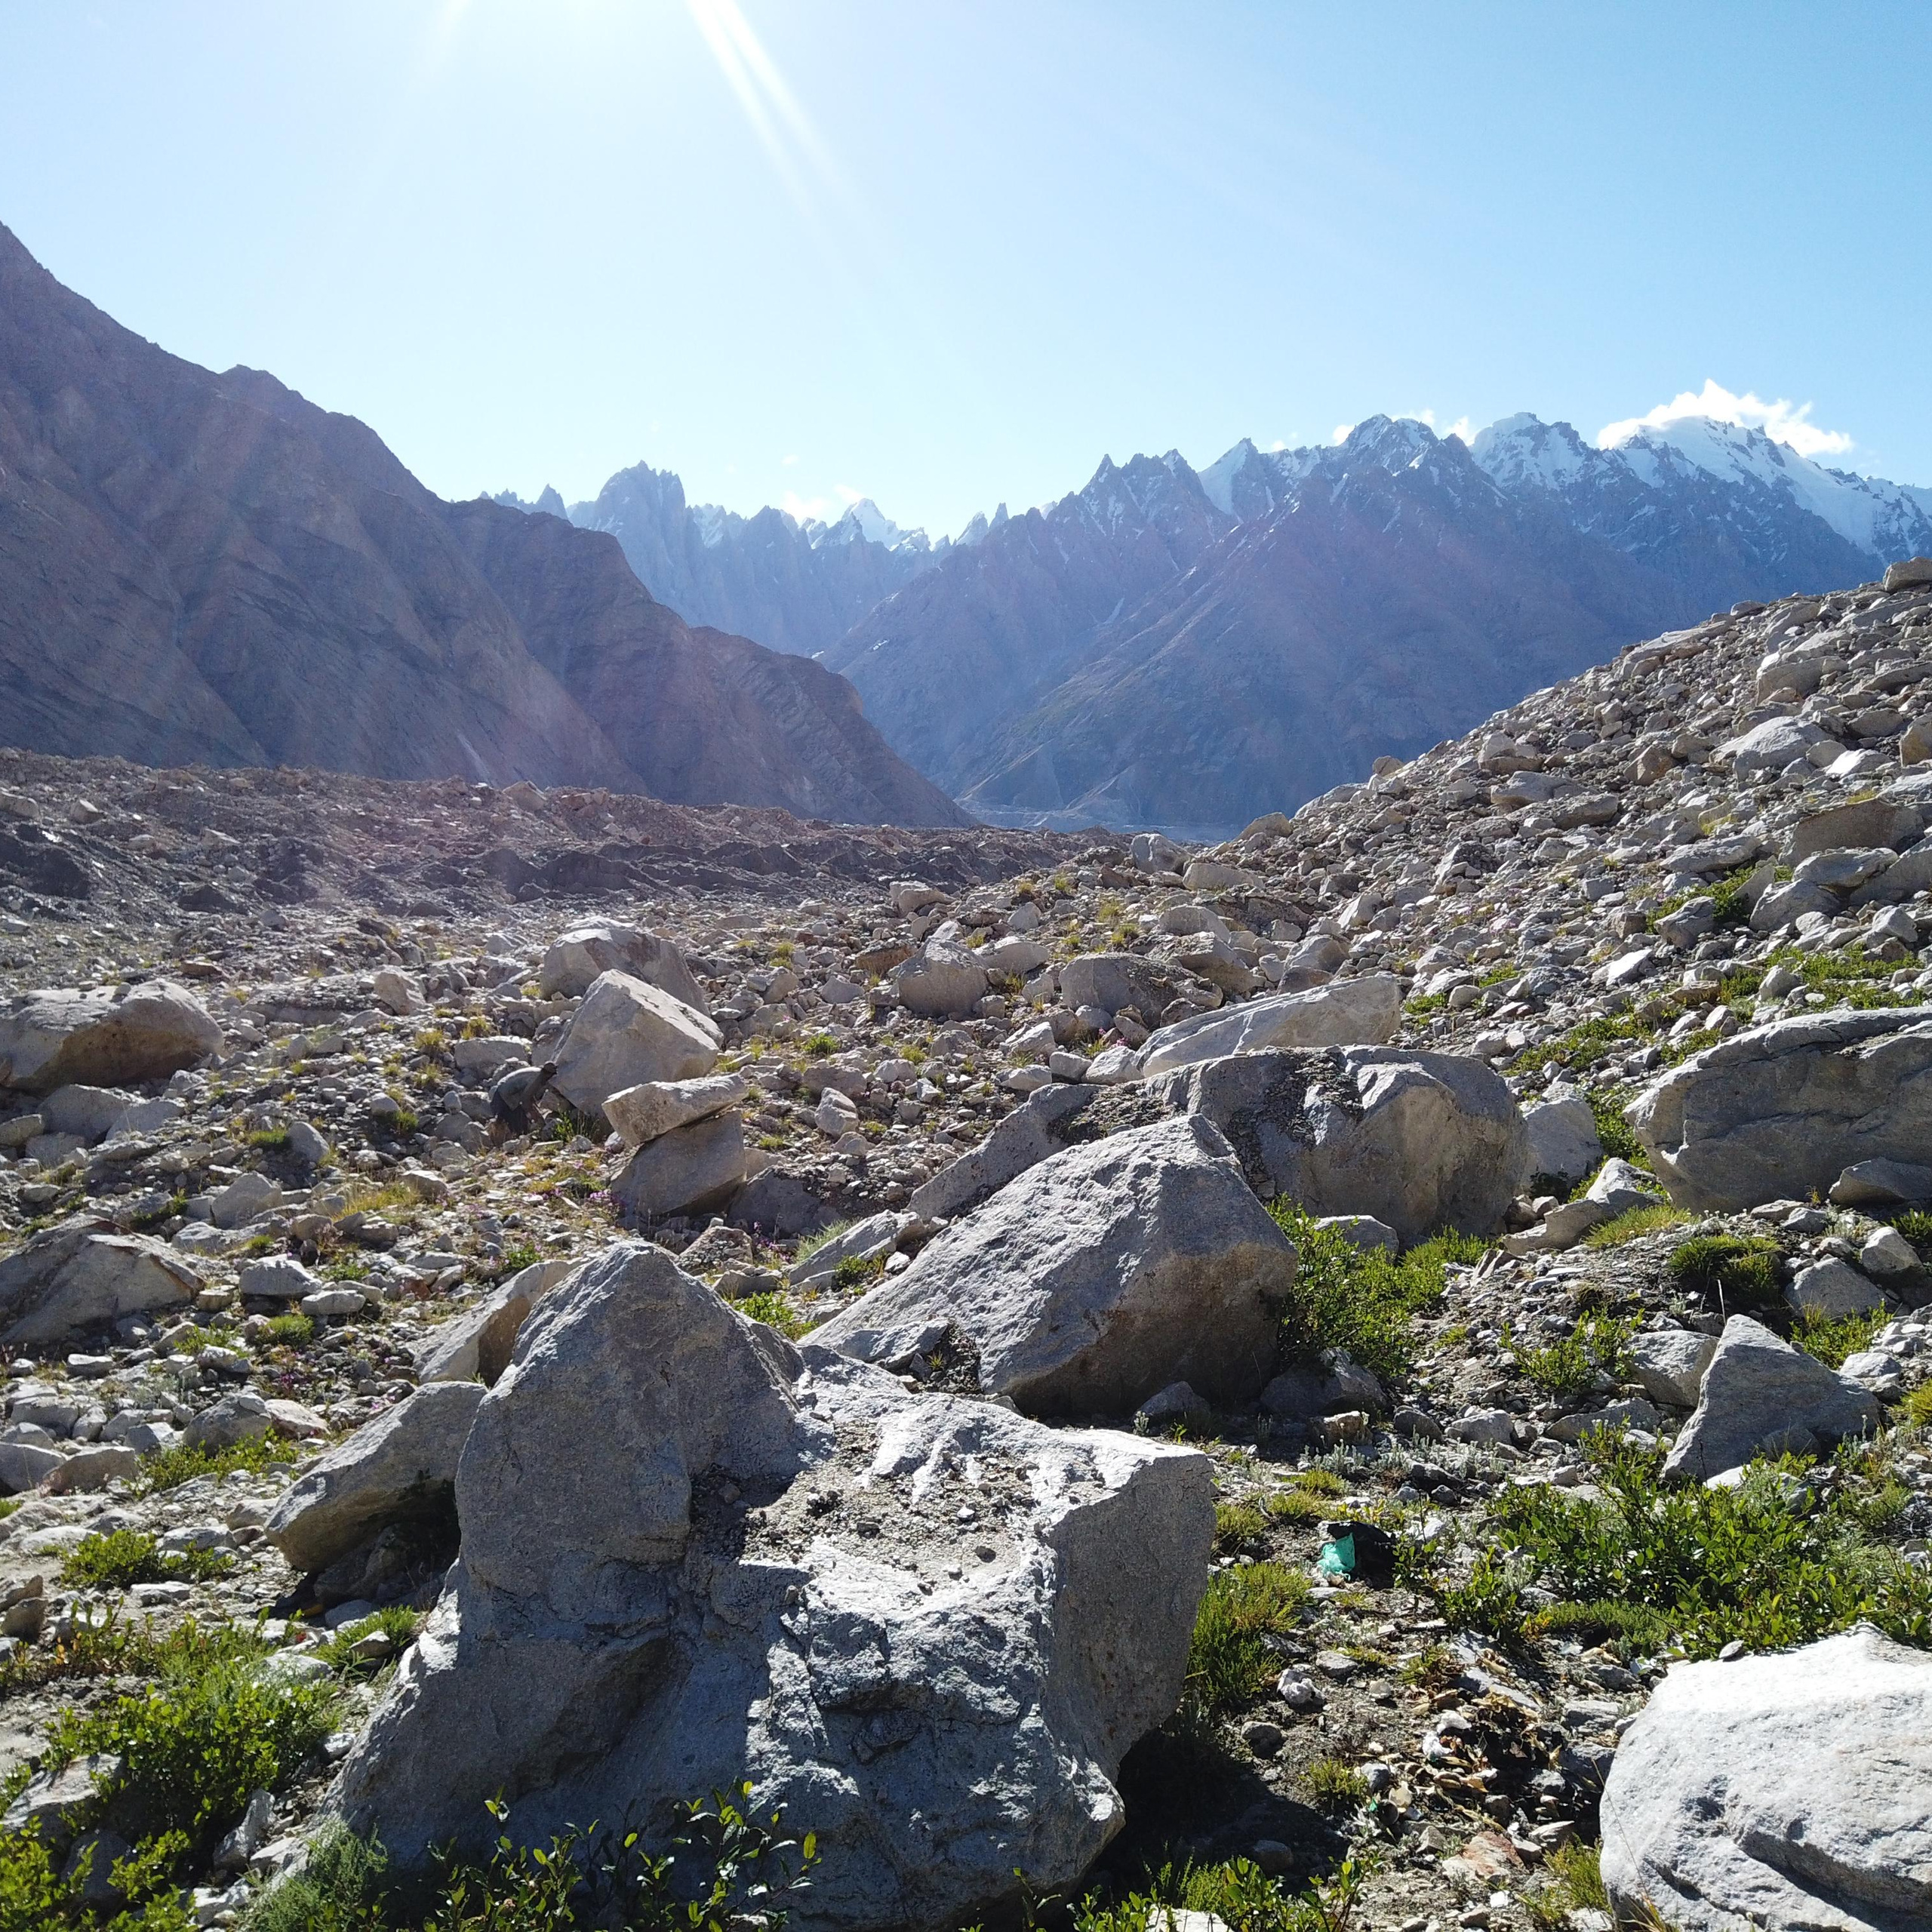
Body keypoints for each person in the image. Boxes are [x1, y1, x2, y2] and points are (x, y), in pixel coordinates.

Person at [489, 1060, 557, 1138]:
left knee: (510, 1119)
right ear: (548, 1074)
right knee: (518, 1123)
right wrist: (533, 1114)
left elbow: (529, 1094)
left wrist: (534, 1108)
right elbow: (525, 1099)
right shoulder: (537, 1079)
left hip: (504, 1090)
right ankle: (517, 1140)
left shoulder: (537, 1072)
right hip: (505, 1096)